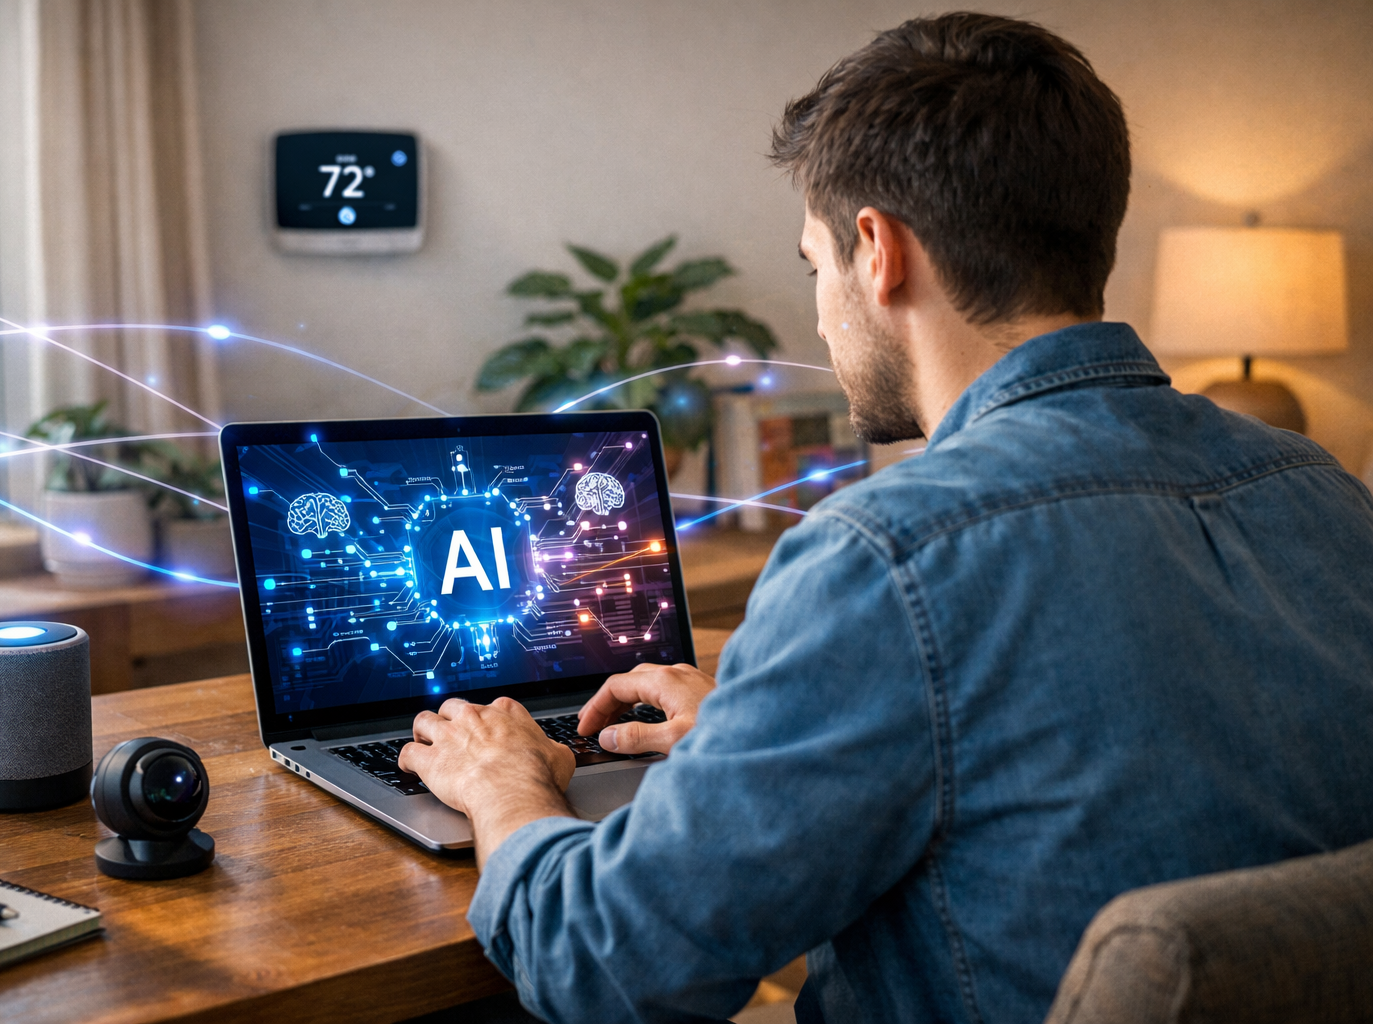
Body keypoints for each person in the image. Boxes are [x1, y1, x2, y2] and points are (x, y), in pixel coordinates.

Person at [400, 12, 1373, 1023]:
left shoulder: (884, 557)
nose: (820, 315)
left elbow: (608, 969)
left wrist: (503, 782)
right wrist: (770, 734)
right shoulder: (1322, 491)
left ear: (878, 251)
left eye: (813, 266)